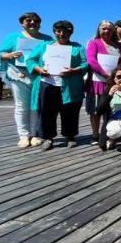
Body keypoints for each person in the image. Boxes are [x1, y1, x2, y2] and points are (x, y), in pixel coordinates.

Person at [0, 12, 53, 147]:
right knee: (22, 106)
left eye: (36, 21)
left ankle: (35, 134)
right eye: (28, 20)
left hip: (39, 76)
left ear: (40, 23)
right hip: (20, 75)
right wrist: (8, 55)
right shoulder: (13, 37)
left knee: (36, 106)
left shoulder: (47, 39)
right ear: (22, 23)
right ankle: (23, 135)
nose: (32, 23)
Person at [26, 20, 88, 150]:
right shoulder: (44, 46)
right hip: (47, 84)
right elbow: (30, 60)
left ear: (71, 32)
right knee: (47, 112)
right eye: (59, 31)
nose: (62, 34)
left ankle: (70, 136)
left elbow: (85, 64)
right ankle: (48, 138)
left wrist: (74, 70)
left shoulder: (78, 47)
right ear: (54, 32)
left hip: (70, 86)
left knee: (70, 111)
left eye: (66, 31)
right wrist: (39, 69)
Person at [86, 20, 121, 145]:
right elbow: (91, 61)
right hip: (97, 82)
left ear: (113, 31)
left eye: (109, 29)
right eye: (103, 28)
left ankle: (109, 133)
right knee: (95, 110)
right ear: (99, 30)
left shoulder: (117, 46)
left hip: (113, 83)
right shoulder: (94, 43)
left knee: (111, 110)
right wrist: (105, 74)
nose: (106, 31)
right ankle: (95, 135)